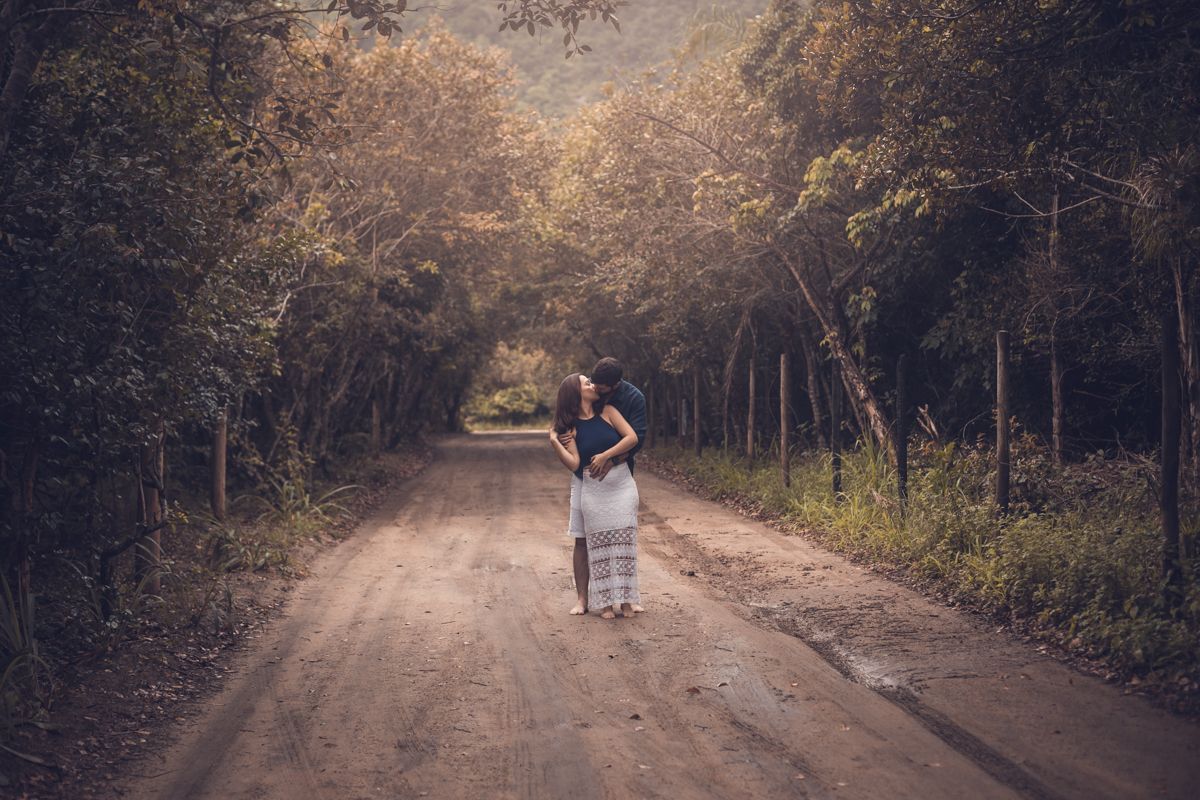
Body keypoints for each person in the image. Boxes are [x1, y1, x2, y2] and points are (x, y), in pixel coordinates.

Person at [556, 358, 648, 615]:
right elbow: (574, 462)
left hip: (619, 478)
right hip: (586, 484)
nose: (593, 386)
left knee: (623, 538)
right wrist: (555, 439)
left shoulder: (628, 401)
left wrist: (610, 457)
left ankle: (626, 596)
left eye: (596, 384)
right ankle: (585, 599)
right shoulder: (572, 424)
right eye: (588, 382)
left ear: (613, 386)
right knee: (584, 539)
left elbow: (635, 438)